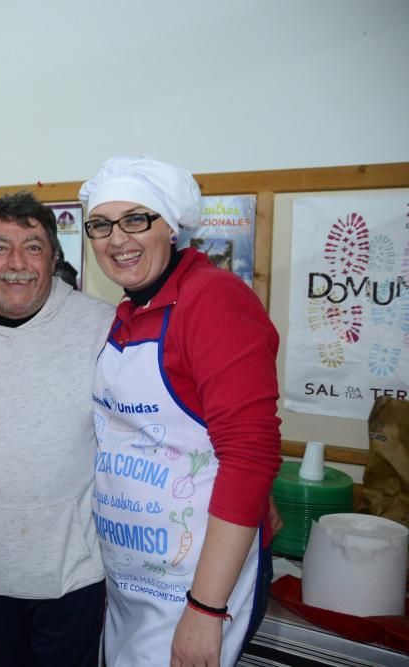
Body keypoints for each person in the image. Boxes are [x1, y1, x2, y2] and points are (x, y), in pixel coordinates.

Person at [80, 156, 281, 666]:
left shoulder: (212, 300)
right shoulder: (131, 310)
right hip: (135, 582)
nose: (117, 238)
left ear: (171, 226)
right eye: (101, 225)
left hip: (192, 587)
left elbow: (250, 454)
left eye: (136, 219)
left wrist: (206, 608)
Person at [0, 192, 115, 667]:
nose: (16, 264)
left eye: (32, 247)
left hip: (74, 573)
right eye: (0, 247)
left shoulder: (102, 327)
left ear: (54, 258)